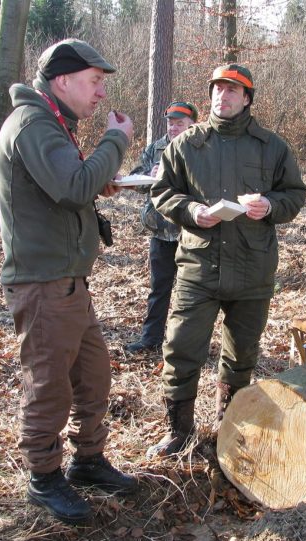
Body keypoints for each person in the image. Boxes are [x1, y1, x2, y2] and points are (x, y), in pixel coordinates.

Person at [0, 38, 138, 525]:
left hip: (69, 282)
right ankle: (44, 477)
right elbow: (72, 186)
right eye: (95, 82)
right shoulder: (35, 125)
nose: (101, 94)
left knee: (93, 374)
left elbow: (67, 186)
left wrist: (98, 175)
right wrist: (115, 141)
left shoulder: (53, 123)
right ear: (62, 80)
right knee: (49, 385)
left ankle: (88, 462)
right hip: (43, 284)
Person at [147, 64, 306, 457]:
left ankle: (228, 426)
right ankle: (179, 432)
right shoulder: (187, 144)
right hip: (198, 268)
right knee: (181, 347)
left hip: (253, 268)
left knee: (241, 355)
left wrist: (270, 204)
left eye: (233, 90)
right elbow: (162, 191)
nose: (224, 95)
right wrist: (190, 211)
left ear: (247, 98)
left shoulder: (272, 146)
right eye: (218, 88)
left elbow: (295, 195)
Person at [125, 101, 198, 353]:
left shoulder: (202, 148)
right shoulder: (155, 148)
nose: (174, 127)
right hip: (161, 232)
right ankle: (151, 339)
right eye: (170, 122)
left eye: (179, 122)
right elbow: (136, 180)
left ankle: (187, 343)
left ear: (192, 124)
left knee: (192, 293)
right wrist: (152, 176)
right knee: (159, 289)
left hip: (192, 232)